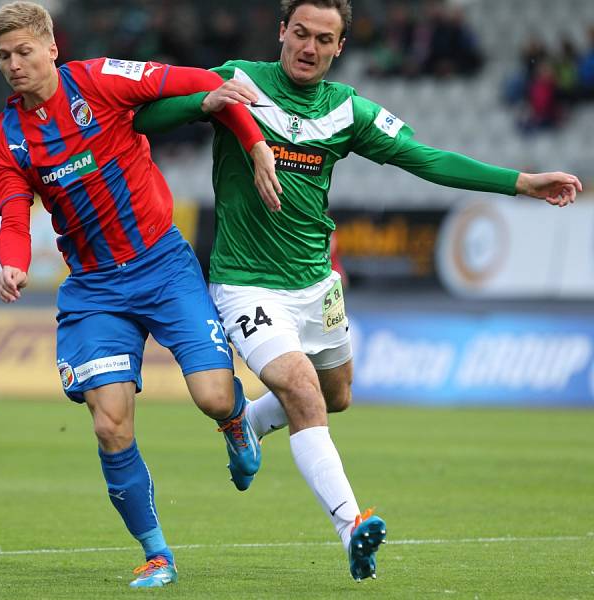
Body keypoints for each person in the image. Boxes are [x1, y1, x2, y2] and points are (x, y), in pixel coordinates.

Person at [133, 0, 582, 583]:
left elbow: (426, 160)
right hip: (246, 284)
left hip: (317, 282)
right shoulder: (238, 79)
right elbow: (144, 120)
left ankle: (248, 424)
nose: (309, 47)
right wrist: (205, 101)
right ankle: (352, 524)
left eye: (324, 38)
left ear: (340, 47)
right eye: (300, 33)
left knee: (335, 394)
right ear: (281, 32)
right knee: (300, 386)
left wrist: (521, 182)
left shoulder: (348, 110)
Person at [0, 1, 283, 588]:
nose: (15, 65)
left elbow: (203, 84)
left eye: (24, 51)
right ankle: (156, 554)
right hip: (95, 289)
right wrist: (12, 265)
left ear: (52, 47)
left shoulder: (99, 80)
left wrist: (254, 144)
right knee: (109, 425)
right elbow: (14, 217)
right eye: (3, 56)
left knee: (213, 395)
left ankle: (235, 422)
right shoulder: (8, 136)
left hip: (163, 265)